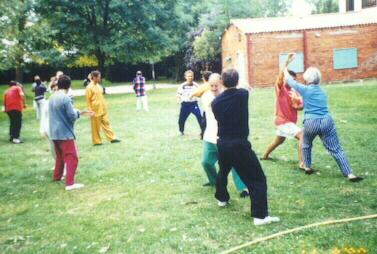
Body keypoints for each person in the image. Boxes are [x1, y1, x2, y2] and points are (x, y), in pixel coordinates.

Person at [212, 69, 279, 226]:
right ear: (237, 80)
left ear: (221, 82)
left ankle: (222, 199)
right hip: (239, 144)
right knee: (257, 179)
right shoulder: (242, 94)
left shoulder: (215, 103)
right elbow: (245, 86)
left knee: (223, 171)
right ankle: (260, 217)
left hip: (222, 143)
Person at [284, 63, 363, 182]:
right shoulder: (322, 92)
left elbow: (290, 81)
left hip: (311, 122)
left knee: (306, 144)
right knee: (336, 148)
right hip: (326, 121)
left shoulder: (305, 90)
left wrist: (285, 68)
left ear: (306, 79)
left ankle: (307, 167)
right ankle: (349, 174)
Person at [201, 73, 249, 198]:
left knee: (234, 163)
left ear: (221, 84)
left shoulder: (229, 96)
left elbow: (244, 88)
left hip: (226, 137)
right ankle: (214, 182)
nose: (213, 88)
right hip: (210, 136)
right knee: (206, 162)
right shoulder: (206, 97)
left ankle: (243, 188)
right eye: (211, 86)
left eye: (216, 85)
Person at [49, 75, 94, 190]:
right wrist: (80, 113)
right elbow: (72, 116)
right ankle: (70, 184)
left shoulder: (52, 97)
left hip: (54, 133)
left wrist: (80, 111)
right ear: (69, 86)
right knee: (72, 157)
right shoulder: (66, 98)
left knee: (60, 157)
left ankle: (57, 177)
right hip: (65, 133)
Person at [262, 53, 305, 169]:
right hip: (283, 121)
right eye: (290, 79)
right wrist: (287, 62)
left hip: (289, 122)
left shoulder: (295, 91)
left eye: (294, 80)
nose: (292, 82)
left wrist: (298, 106)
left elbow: (300, 106)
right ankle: (302, 163)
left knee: (279, 141)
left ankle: (265, 155)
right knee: (303, 136)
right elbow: (280, 76)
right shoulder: (281, 88)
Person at [85, 70, 120, 145]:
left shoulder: (98, 86)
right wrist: (90, 111)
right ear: (94, 77)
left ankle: (112, 138)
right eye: (98, 77)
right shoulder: (89, 87)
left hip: (102, 108)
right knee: (95, 127)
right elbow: (88, 100)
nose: (100, 79)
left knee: (106, 123)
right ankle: (97, 141)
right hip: (95, 110)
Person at [177, 70, 204, 136]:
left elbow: (200, 93)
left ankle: (203, 132)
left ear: (193, 77)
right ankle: (181, 131)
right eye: (188, 76)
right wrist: (178, 100)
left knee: (199, 117)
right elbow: (178, 95)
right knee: (181, 119)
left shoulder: (196, 85)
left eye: (191, 76)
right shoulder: (182, 86)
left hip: (193, 104)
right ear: (185, 77)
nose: (190, 78)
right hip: (185, 105)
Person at [192, 71, 212, 138]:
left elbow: (195, 93)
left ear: (204, 78)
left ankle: (203, 135)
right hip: (216, 106)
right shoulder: (214, 84)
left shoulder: (205, 85)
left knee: (204, 123)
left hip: (207, 108)